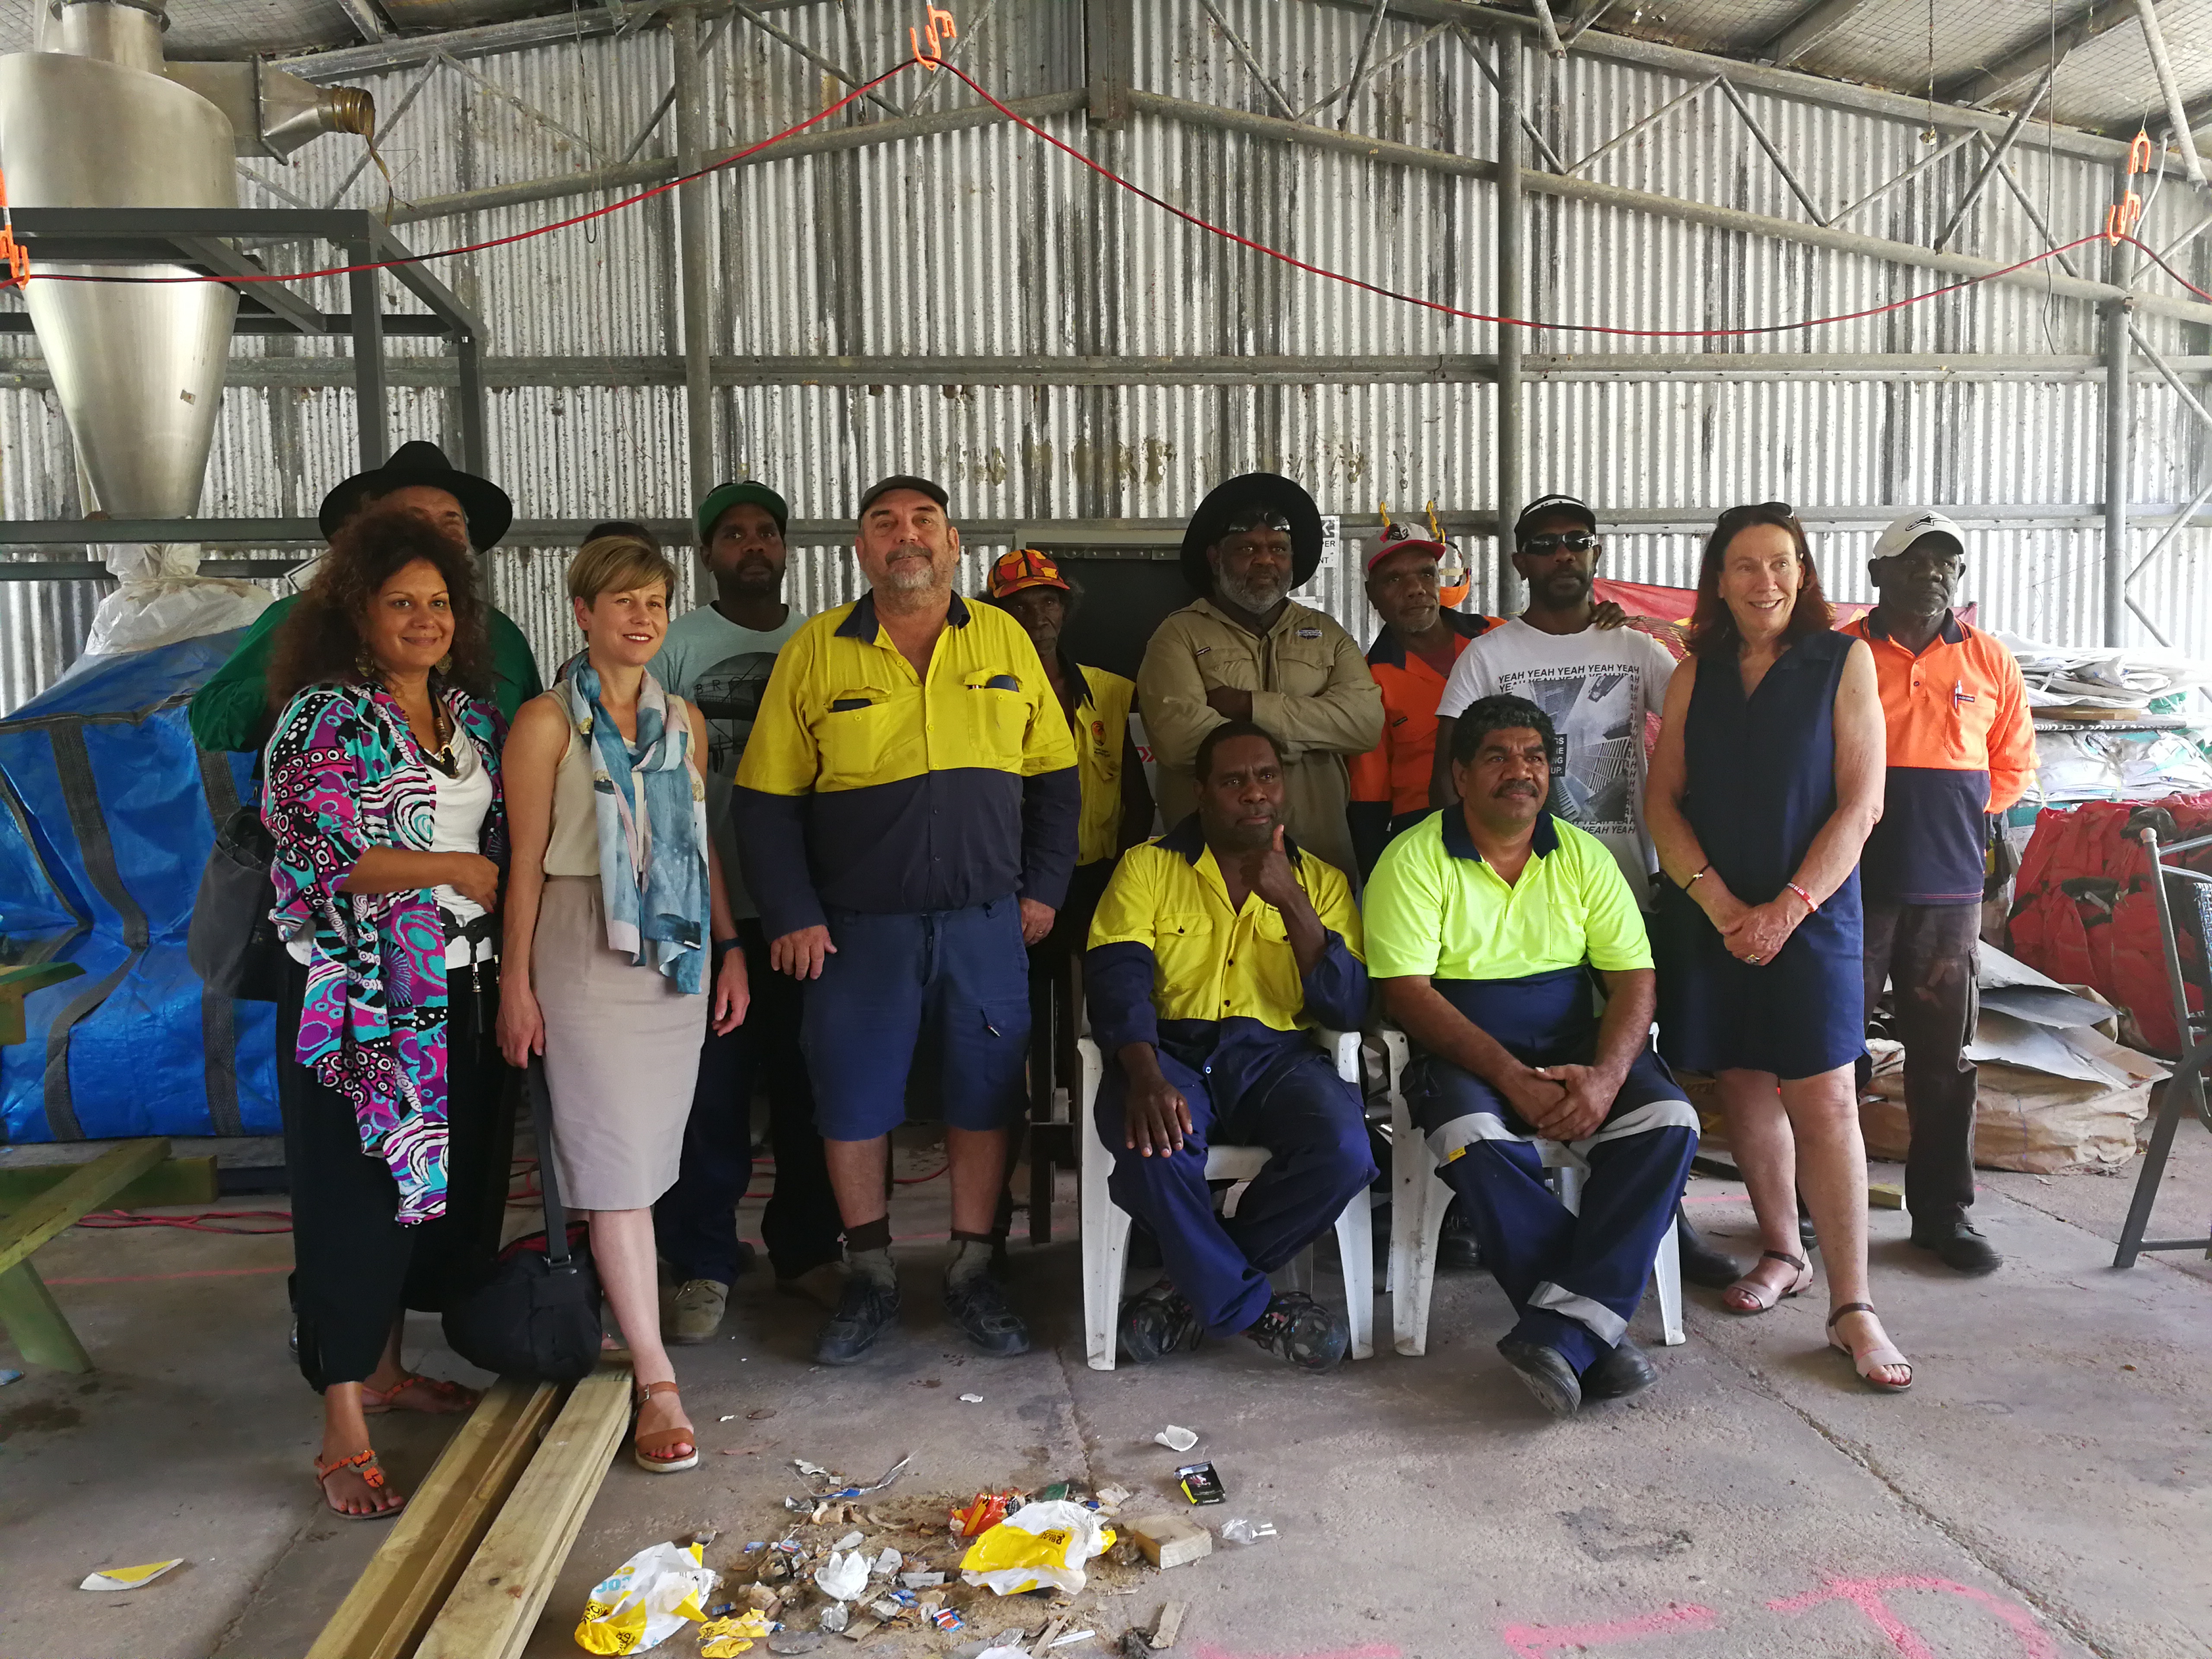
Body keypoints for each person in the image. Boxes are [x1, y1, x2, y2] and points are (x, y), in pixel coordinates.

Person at [734, 476, 1080, 1365]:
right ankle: (871, 1275)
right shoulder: (815, 652)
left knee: (983, 1095)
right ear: (861, 550)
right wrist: (794, 914)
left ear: (954, 543)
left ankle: (972, 1270)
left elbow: (1055, 778)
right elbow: (765, 803)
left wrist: (1041, 889)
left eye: (924, 521)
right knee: (851, 1103)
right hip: (857, 930)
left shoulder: (1002, 638)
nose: (906, 536)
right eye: (885, 524)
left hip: (984, 921)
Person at [261, 507, 511, 1519]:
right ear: (356, 612)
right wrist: (452, 865)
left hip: (458, 981)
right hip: (359, 1000)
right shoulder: (326, 716)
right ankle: (342, 1423)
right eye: (400, 602)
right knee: (353, 1196)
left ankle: (389, 1369)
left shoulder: (467, 717)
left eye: (439, 602)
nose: (424, 619)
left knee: (428, 1189)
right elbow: (314, 851)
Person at [1428, 493, 1738, 1289]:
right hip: (1516, 894)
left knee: (1638, 1063)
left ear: (1595, 557)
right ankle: (1503, 1212)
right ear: (1522, 561)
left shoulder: (1638, 650)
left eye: (1578, 543)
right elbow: (1448, 775)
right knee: (1529, 1048)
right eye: (1546, 545)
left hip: (1627, 887)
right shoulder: (1489, 658)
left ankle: (1662, 1220)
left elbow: (1710, 724)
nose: (1564, 556)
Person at [1368, 696, 1700, 1417]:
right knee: (1475, 1142)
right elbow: (1409, 996)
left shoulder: (1583, 856)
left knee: (1670, 1122)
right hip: (1463, 1053)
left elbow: (1634, 980)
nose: (1519, 772)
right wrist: (1511, 1079)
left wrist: (1608, 1078)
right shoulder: (1415, 857)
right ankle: (1595, 1335)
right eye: (1497, 757)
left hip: (1572, 1044)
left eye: (1534, 758)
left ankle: (1563, 1333)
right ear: (1460, 776)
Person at [498, 533, 751, 1474]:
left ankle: (631, 1327)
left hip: (672, 956)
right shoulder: (545, 723)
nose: (641, 618)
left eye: (654, 602)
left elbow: (700, 845)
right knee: (611, 1169)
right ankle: (656, 1378)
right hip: (582, 945)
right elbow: (521, 865)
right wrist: (516, 985)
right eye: (622, 603)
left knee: (649, 1163)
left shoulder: (681, 716)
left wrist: (729, 949)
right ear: (583, 616)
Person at [1646, 503, 1910, 1393]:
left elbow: (1859, 804)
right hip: (1714, 916)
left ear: (1803, 576)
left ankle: (1852, 1306)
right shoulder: (1694, 673)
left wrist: (1787, 908)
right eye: (1745, 566)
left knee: (1825, 1098)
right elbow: (1663, 803)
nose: (1765, 582)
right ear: (1718, 580)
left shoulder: (1843, 660)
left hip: (1814, 915)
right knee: (1744, 1082)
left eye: (1780, 565)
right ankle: (1779, 1249)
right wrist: (1721, 905)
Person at [1088, 721, 1373, 1370]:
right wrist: (1145, 1073)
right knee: (1153, 1147)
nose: (1254, 793)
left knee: (1346, 1152)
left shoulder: (1321, 882)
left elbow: (1348, 1007)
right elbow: (1116, 980)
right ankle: (1250, 1310)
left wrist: (1293, 904)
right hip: (1172, 1053)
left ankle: (1187, 1293)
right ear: (1201, 792)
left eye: (1267, 777)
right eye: (1235, 780)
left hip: (1277, 1059)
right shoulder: (1150, 866)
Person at [648, 482, 845, 1341]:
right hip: (710, 909)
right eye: (735, 534)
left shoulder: (826, 643)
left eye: (768, 531)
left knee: (809, 1090)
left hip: (806, 907)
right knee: (712, 1097)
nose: (754, 545)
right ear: (707, 552)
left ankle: (806, 1252)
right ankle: (703, 1261)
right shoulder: (676, 645)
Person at [1841, 511, 2035, 1276]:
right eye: (1916, 560)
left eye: (1948, 564)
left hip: (1949, 889)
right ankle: (1816, 1207)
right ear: (1878, 573)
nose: (1934, 574)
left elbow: (2010, 769)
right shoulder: (1839, 656)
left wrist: (1986, 844)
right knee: (1832, 1055)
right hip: (1849, 883)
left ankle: (1942, 1215)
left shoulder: (1990, 661)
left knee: (1942, 1060)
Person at [982, 548, 1155, 1206]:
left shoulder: (1111, 690)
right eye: (1021, 606)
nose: (1038, 616)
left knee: (1102, 1021)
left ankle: (1104, 1148)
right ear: (998, 616)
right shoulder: (985, 696)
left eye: (1049, 601)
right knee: (1016, 1029)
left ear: (1066, 607)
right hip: (1013, 891)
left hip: (1096, 884)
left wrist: (1125, 877)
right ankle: (1023, 1158)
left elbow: (1136, 795)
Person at [192, 442, 542, 751]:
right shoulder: (303, 618)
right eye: (414, 523)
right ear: (371, 538)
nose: (433, 537)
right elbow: (211, 720)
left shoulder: (501, 634)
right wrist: (305, 684)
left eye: (451, 524)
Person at [1138, 473, 1382, 877]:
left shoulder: (1328, 633)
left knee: (1324, 943)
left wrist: (1248, 707)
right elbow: (1178, 740)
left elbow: (1366, 725)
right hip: (1213, 865)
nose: (1266, 560)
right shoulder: (1178, 635)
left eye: (1278, 549)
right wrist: (1310, 732)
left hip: (1318, 857)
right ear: (1216, 558)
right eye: (1248, 548)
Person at [1347, 521, 1500, 882]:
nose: (1415, 589)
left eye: (1426, 574)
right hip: (1423, 837)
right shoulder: (1370, 680)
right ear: (1372, 594)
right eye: (1394, 580)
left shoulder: (1495, 637)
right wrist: (1378, 882)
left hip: (1510, 819)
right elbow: (1369, 800)